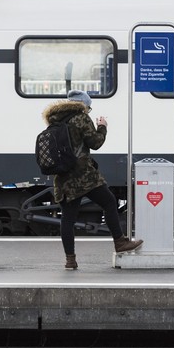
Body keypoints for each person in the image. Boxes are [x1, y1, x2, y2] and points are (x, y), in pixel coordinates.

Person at [42, 89, 143, 270]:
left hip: (63, 178)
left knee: (68, 219)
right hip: (84, 176)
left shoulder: (55, 120)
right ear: (84, 105)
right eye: (89, 108)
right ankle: (120, 243)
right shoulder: (80, 117)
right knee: (110, 202)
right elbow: (95, 143)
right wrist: (102, 126)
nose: (89, 111)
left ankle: (70, 260)